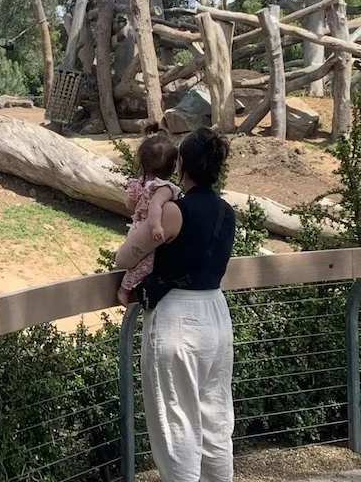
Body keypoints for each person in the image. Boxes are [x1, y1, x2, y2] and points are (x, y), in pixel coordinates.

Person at [115, 126, 237, 482]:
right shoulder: (226, 213)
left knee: (177, 426)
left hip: (176, 319)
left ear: (181, 164)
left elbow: (125, 257)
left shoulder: (173, 213)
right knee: (215, 419)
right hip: (215, 314)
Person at [118, 126, 181, 307]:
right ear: (172, 166)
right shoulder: (163, 188)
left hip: (136, 226)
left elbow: (129, 204)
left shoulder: (139, 183)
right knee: (147, 264)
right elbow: (155, 205)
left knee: (139, 261)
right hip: (148, 229)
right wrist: (156, 226)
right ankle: (125, 288)